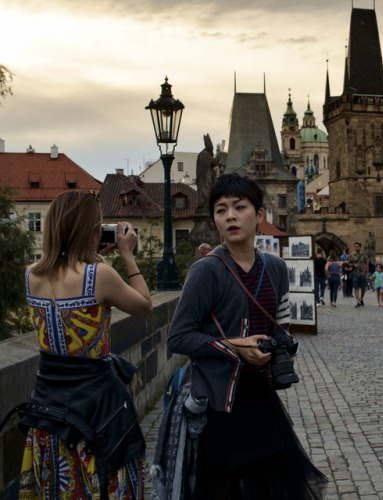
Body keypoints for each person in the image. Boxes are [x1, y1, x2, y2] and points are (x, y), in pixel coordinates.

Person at [165, 174, 326, 499]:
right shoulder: (206, 271)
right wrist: (234, 347)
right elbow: (178, 338)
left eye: (239, 207)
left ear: (260, 215)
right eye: (221, 210)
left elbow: (282, 326)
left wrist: (281, 352)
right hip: (217, 404)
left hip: (259, 399)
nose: (230, 216)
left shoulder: (276, 268)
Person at [19, 190, 153, 499]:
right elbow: (145, 305)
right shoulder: (100, 275)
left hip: (47, 409)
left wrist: (92, 255)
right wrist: (127, 255)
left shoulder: (30, 275)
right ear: (91, 229)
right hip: (95, 411)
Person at [349, 242, 368, 308]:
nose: (357, 248)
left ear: (360, 247)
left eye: (358, 246)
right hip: (355, 273)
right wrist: (353, 265)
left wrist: (367, 272)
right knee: (356, 287)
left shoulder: (363, 254)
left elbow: (366, 263)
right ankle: (358, 301)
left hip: (362, 273)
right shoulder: (351, 255)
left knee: (363, 287)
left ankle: (361, 298)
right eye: (355, 246)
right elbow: (349, 263)